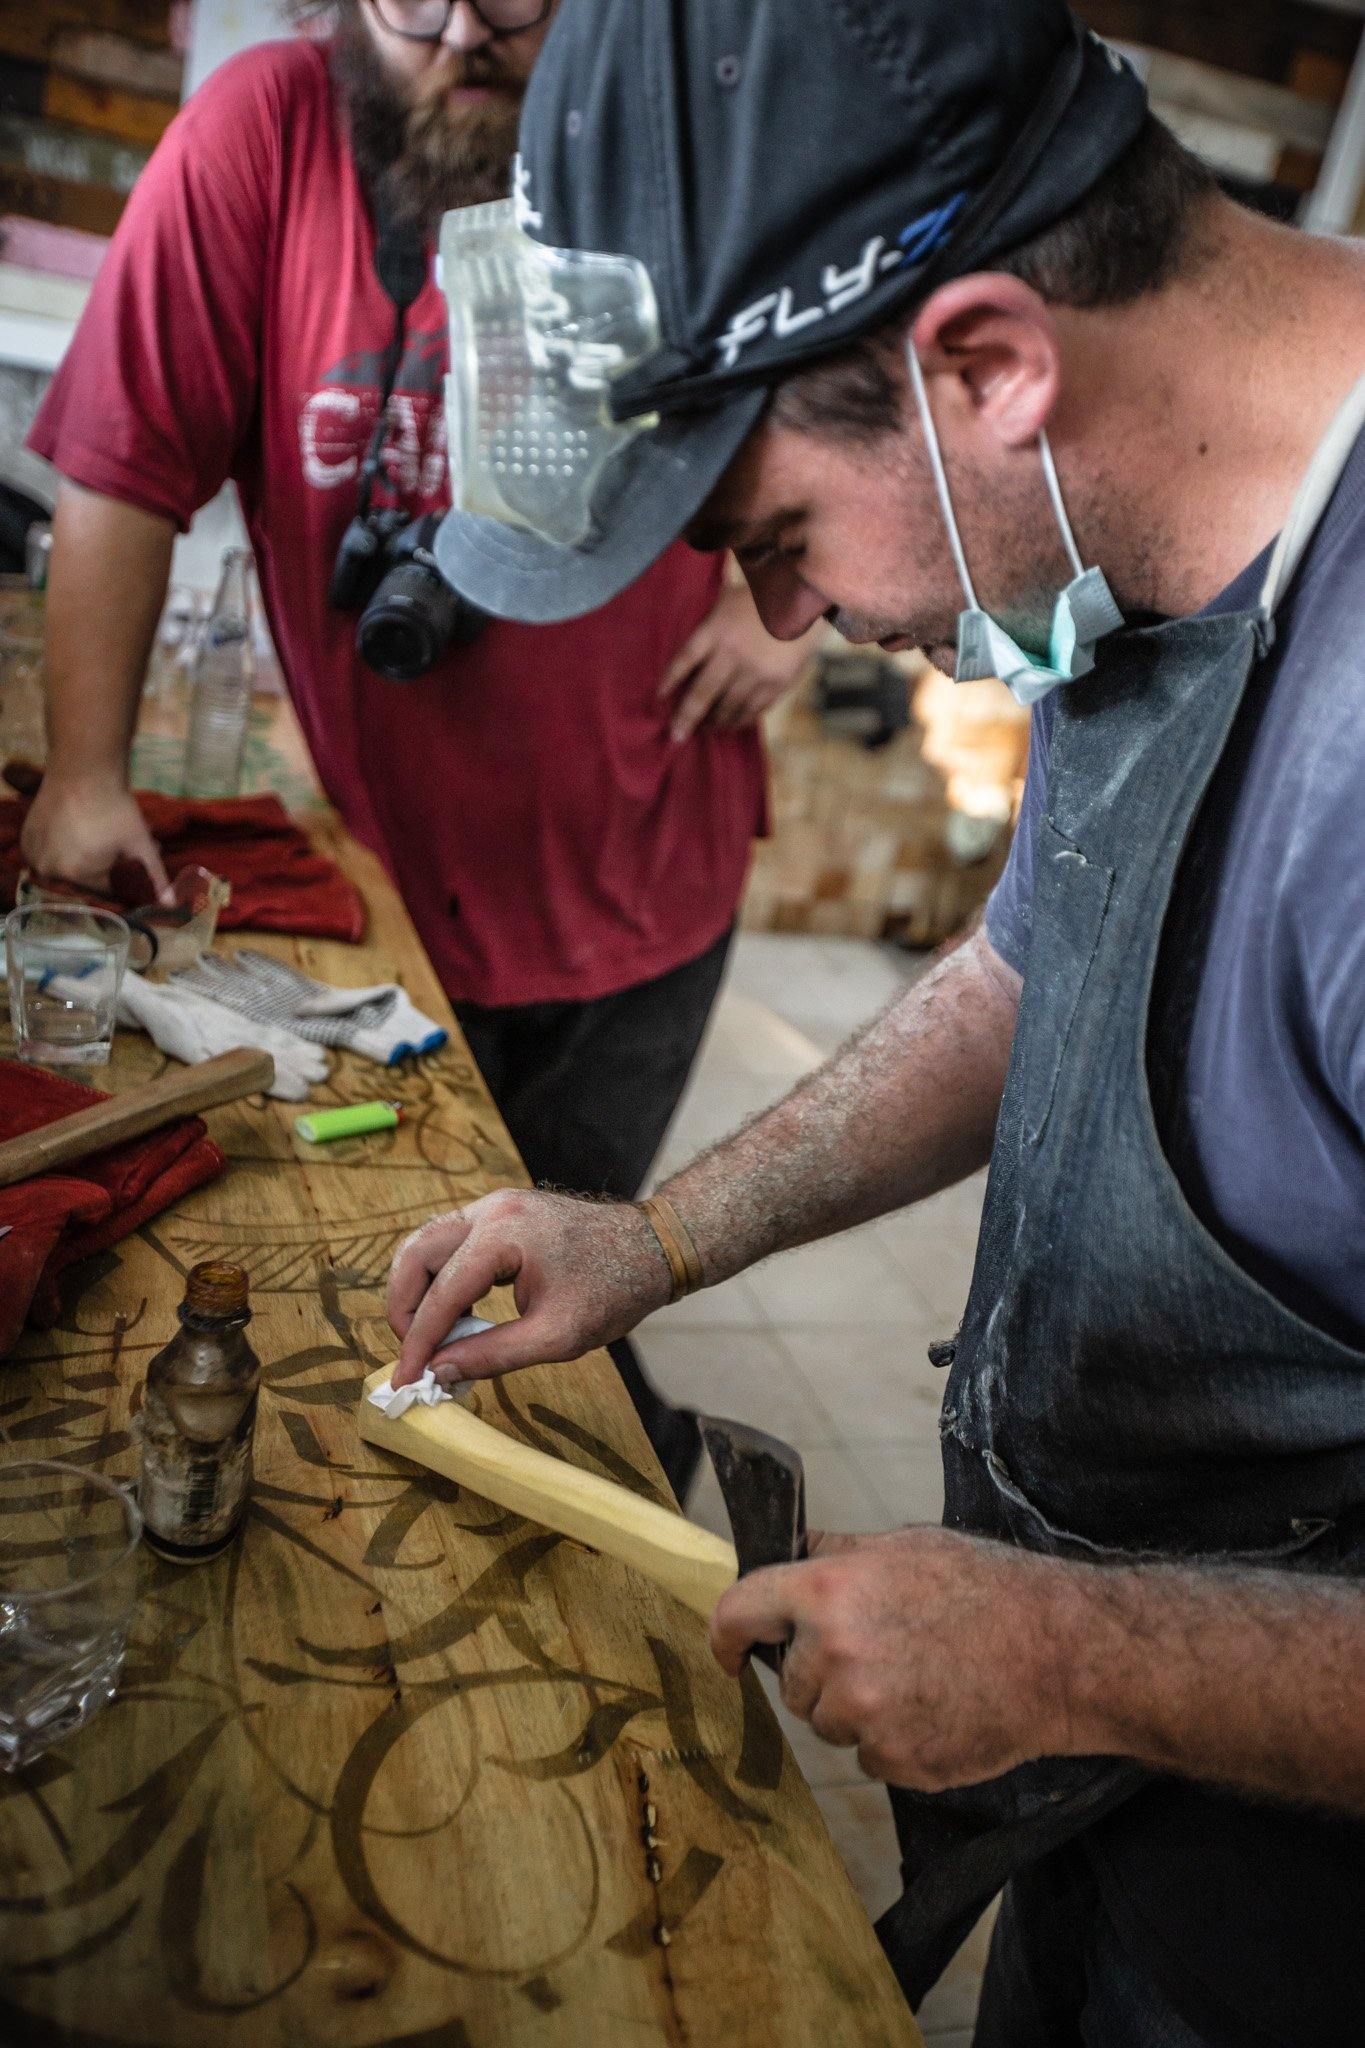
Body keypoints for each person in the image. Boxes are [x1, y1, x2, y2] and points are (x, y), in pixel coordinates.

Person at [383, 2, 1365, 2041]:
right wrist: (655, 1240)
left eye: (770, 540)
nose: (775, 623)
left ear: (986, 365)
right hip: (1128, 1806)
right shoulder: (1133, 531)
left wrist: (1078, 1654)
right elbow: (1036, 968)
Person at [20, 0, 817, 1500]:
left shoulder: (681, 133)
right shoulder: (261, 131)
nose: (458, 32)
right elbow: (120, 469)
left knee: (543, 1305)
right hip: (387, 889)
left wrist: (793, 612)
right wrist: (82, 774)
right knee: (383, 1295)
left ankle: (657, 1490)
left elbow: (852, 375)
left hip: (636, 883)